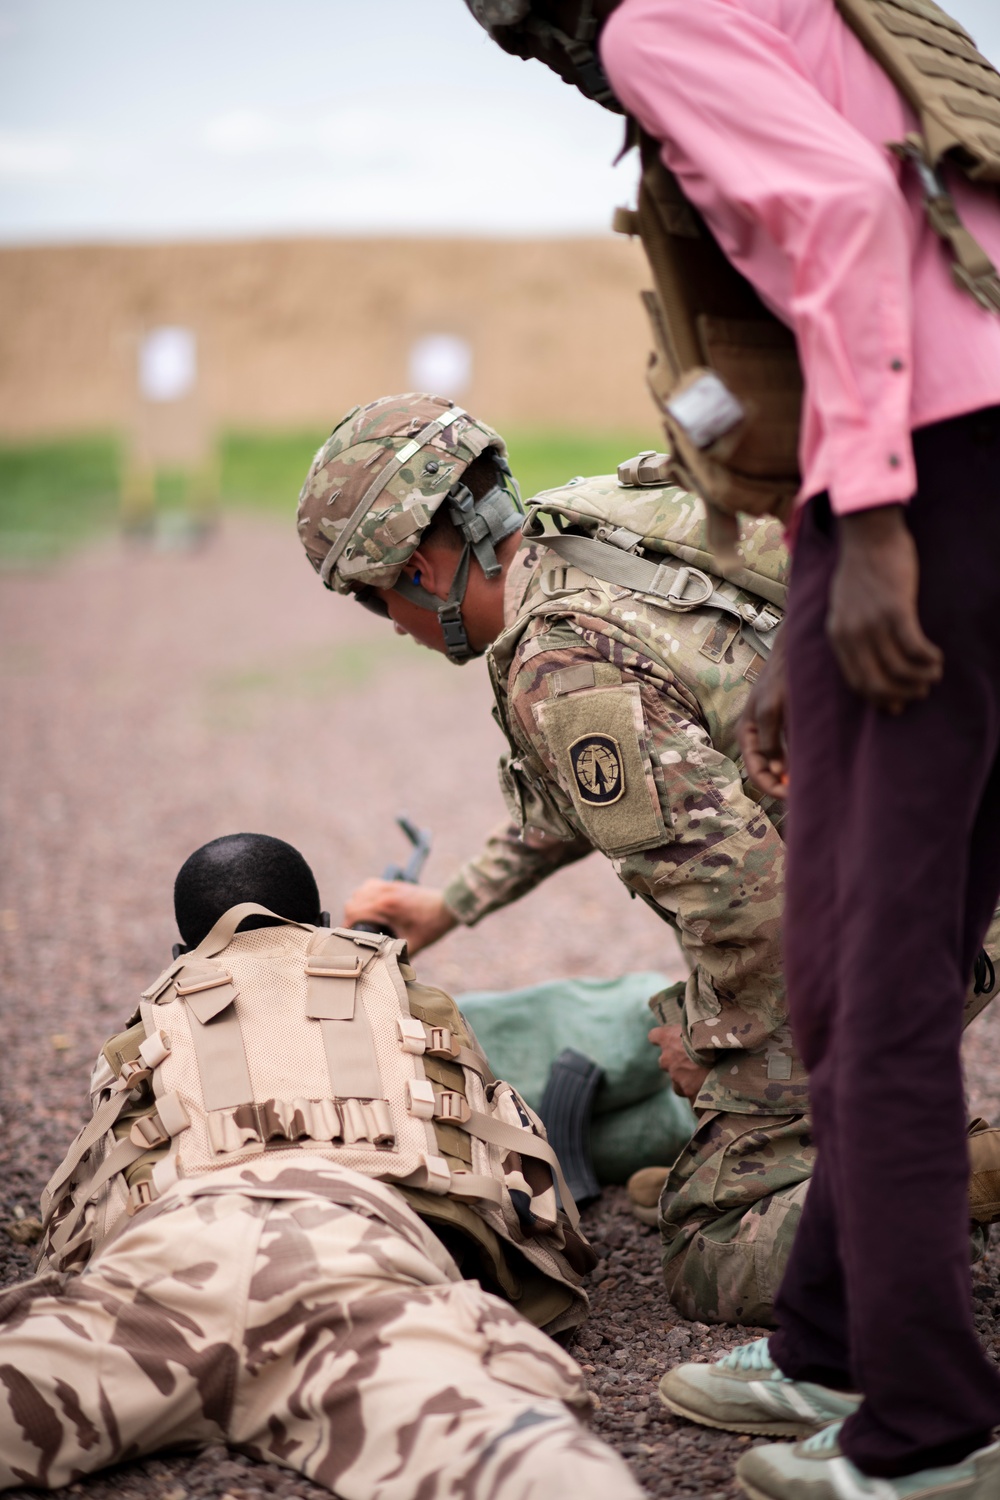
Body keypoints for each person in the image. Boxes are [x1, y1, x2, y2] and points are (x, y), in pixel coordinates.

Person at [459, 3, 1000, 1496]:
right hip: (949, 464)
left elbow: (836, 216)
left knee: (863, 986)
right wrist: (812, 593)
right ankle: (832, 1340)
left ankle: (929, 1431)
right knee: (910, 950)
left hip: (935, 470)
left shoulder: (654, 19)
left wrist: (875, 522)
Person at [296, 393, 1000, 1338]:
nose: (394, 626)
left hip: (941, 910)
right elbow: (580, 796)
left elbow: (755, 918)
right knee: (727, 1141)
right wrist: (450, 905)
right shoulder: (596, 524)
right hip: (963, 821)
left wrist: (701, 1041)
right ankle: (822, 1155)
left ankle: (941, 1192)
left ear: (421, 568)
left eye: (381, 599)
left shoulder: (558, 666)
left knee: (706, 1250)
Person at [0, 832, 641, 1500]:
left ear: (180, 954)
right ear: (325, 925)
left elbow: (89, 1203)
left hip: (165, 1264)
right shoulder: (411, 998)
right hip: (355, 1259)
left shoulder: (145, 1033)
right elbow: (501, 1172)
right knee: (545, 1470)